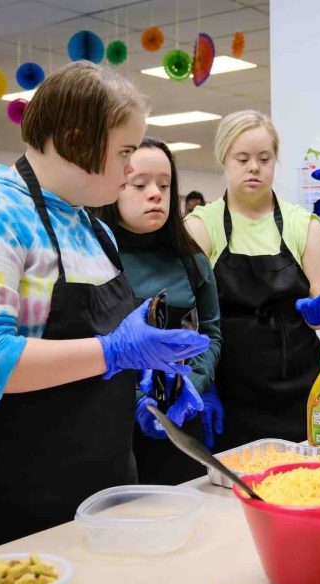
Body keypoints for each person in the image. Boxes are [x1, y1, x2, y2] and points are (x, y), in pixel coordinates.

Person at [0, 62, 209, 562]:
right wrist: (114, 352)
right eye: (122, 154)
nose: (128, 171)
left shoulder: (94, 229)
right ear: (75, 137)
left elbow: (101, 352)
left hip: (104, 487)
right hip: (11, 499)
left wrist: (141, 386)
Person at [185, 110, 320, 450]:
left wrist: (315, 313)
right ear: (224, 159)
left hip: (298, 387)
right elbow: (189, 319)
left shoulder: (304, 226)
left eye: (264, 158)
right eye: (242, 158)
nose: (254, 168)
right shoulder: (202, 227)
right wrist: (203, 383)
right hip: (231, 390)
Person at [93, 137, 223, 484]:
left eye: (164, 185)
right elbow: (88, 342)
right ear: (116, 186)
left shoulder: (192, 259)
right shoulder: (94, 259)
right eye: (140, 184)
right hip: (113, 423)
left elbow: (210, 331)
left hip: (182, 419)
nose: (155, 194)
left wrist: (195, 382)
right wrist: (138, 399)